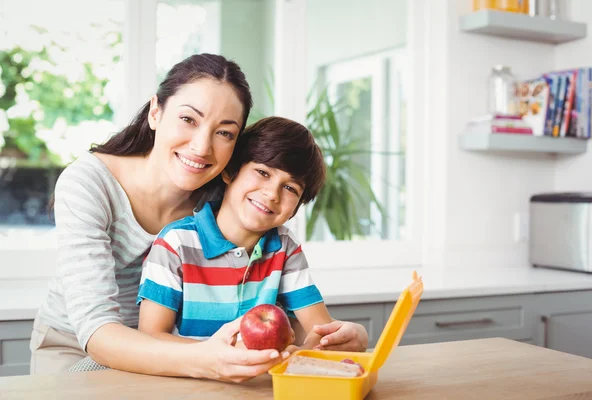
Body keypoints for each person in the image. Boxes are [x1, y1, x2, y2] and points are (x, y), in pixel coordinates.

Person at [30, 53, 279, 380]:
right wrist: (204, 358)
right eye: (189, 119)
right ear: (155, 112)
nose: (202, 147)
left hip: (174, 347)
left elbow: (273, 265)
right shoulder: (89, 183)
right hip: (75, 344)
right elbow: (98, 332)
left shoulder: (219, 199)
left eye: (224, 133)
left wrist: (328, 334)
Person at [136, 117, 368, 359]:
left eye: (290, 188)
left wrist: (351, 335)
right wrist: (220, 355)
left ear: (297, 207)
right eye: (262, 172)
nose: (271, 194)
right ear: (230, 171)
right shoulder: (175, 243)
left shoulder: (284, 248)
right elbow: (151, 337)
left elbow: (319, 331)